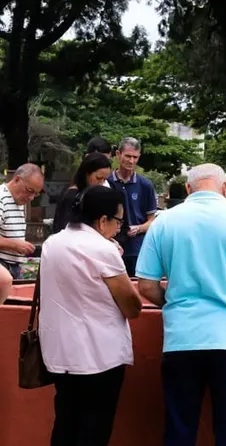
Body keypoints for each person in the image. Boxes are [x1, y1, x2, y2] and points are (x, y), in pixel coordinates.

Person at [136, 163, 226, 446]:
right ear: (225, 188)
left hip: (182, 337)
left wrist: (173, 302)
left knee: (180, 428)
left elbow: (147, 285)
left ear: (188, 188)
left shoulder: (164, 221)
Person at [40, 185, 142, 446]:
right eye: (118, 220)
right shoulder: (102, 249)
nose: (120, 227)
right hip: (99, 355)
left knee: (65, 422)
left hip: (60, 353)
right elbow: (131, 305)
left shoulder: (53, 243)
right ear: (103, 219)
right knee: (94, 428)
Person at [107, 137, 158, 277]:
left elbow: (152, 220)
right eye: (128, 156)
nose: (131, 161)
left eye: (135, 157)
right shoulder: (107, 182)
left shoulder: (145, 185)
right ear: (118, 154)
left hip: (137, 249)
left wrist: (139, 228)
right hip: (111, 247)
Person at [0, 164, 43, 279]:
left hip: (13, 266)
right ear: (17, 179)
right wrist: (14, 245)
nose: (31, 197)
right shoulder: (1, 199)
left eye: (35, 193)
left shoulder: (18, 200)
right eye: (29, 190)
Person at [52, 153, 112, 234]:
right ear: (86, 174)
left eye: (104, 180)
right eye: (98, 178)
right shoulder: (73, 197)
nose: (101, 183)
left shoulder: (86, 194)